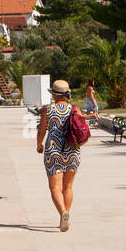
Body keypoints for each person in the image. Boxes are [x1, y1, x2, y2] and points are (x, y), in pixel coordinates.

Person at [36, 80, 81, 231]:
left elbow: (42, 130)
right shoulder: (75, 109)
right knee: (68, 186)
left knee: (55, 187)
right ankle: (65, 216)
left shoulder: (47, 110)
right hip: (72, 151)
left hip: (53, 151)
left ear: (54, 94)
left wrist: (39, 144)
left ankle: (63, 212)